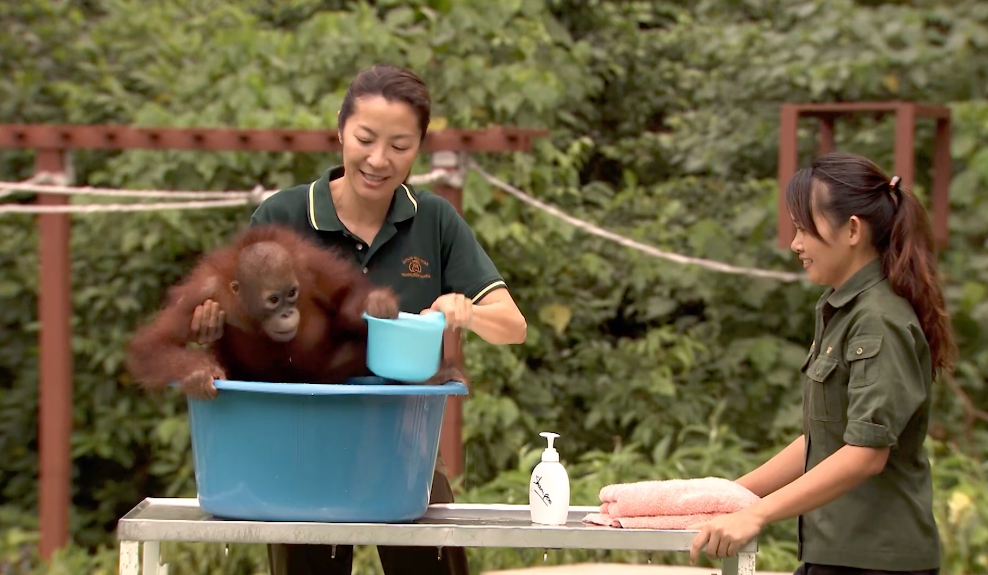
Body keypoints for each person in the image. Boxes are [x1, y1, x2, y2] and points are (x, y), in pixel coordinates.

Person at [188, 63, 527, 575]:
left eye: (400, 145)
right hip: (301, 441)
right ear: (341, 130)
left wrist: (469, 312)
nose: (378, 159)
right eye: (365, 138)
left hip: (403, 445)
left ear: (418, 148)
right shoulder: (285, 216)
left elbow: (513, 325)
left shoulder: (433, 220)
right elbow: (235, 325)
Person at [689, 151, 955, 575]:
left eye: (803, 229)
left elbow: (865, 454)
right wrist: (733, 496)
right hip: (834, 556)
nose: (795, 244)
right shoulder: (842, 310)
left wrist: (757, 515)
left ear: (852, 230)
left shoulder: (879, 319)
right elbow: (823, 438)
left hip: (876, 562)